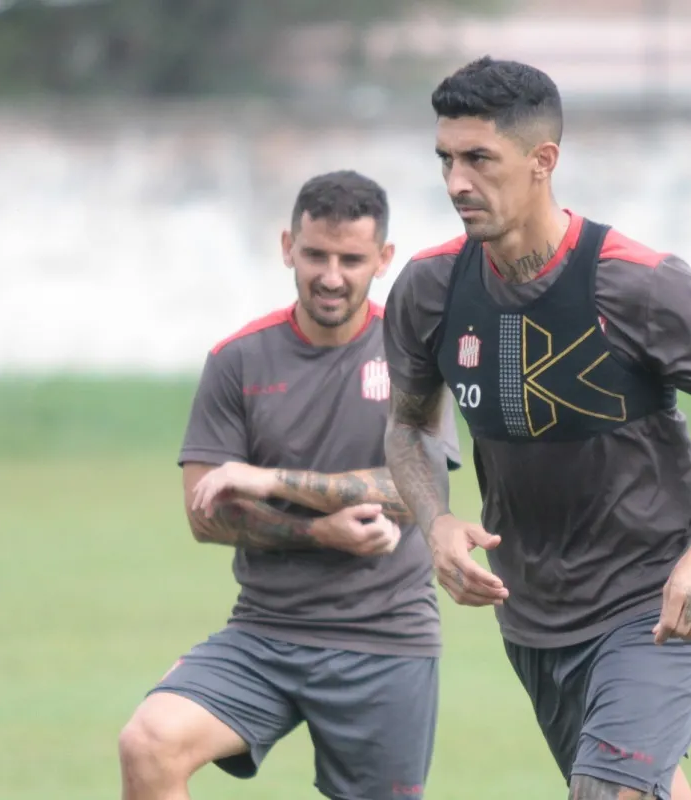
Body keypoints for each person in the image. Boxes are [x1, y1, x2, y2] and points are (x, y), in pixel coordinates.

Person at [381, 57, 691, 800]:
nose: (455, 183)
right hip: (532, 616)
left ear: (543, 162)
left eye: (479, 159)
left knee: (606, 793)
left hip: (653, 600)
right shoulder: (430, 289)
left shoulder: (641, 282)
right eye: (445, 159)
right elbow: (407, 427)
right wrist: (435, 522)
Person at [118, 170, 463, 800]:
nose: (331, 275)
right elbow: (205, 514)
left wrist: (269, 478)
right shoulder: (239, 359)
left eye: (352, 259)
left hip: (385, 640)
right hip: (264, 630)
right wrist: (317, 530)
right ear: (287, 248)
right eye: (316, 255)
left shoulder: (414, 355)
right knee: (149, 743)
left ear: (382, 260)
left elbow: (415, 493)